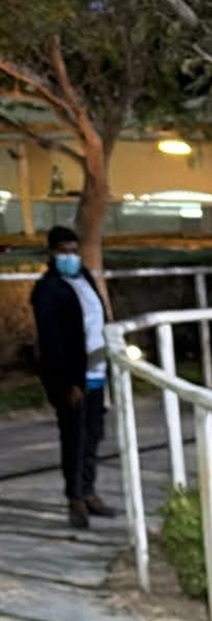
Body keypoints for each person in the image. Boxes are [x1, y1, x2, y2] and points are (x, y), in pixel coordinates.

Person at [30, 226, 117, 530]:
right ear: (52, 253)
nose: (70, 256)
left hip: (97, 370)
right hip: (72, 378)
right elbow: (52, 342)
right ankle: (75, 497)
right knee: (74, 438)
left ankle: (89, 490)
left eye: (73, 250)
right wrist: (68, 383)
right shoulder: (47, 290)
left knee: (93, 435)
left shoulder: (85, 279)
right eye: (63, 251)